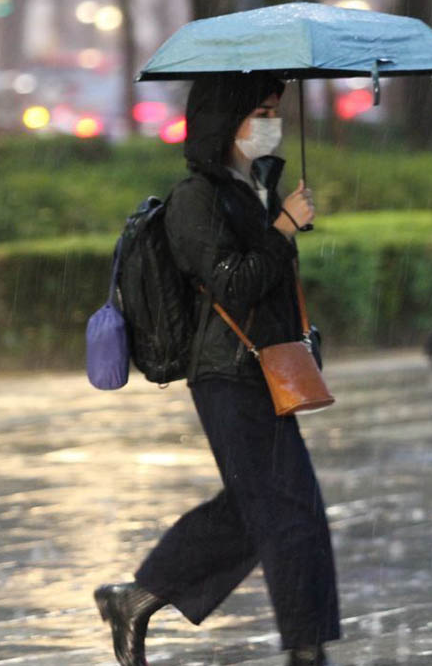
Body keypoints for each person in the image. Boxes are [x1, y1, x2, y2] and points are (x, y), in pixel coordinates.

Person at [93, 73, 341, 666]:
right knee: (290, 511)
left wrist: (278, 224)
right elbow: (233, 284)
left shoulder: (252, 187)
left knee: (262, 507)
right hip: (227, 373)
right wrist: (282, 229)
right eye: (260, 112)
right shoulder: (195, 198)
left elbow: (266, 280)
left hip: (264, 368)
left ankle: (138, 598)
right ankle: (306, 651)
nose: (271, 124)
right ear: (225, 120)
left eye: (275, 112)